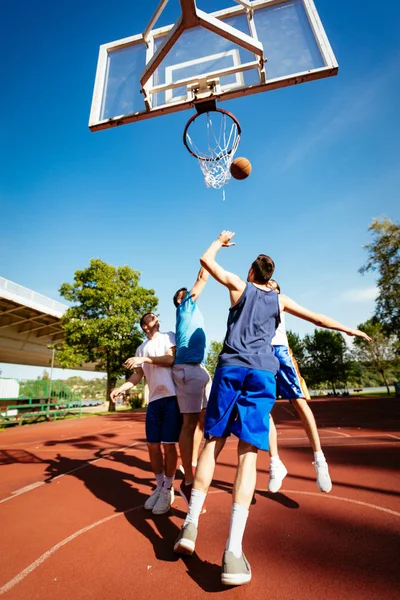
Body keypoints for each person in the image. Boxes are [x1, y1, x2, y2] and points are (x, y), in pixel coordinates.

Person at [173, 230, 371, 587]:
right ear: (270, 276)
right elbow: (318, 319)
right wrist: (349, 329)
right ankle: (232, 552)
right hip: (263, 373)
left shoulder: (237, 286)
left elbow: (205, 262)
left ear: (251, 272)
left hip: (231, 367)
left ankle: (190, 527)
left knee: (213, 442)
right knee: (249, 453)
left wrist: (220, 240)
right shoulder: (280, 300)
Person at [111, 313, 182, 515]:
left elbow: (170, 359)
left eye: (157, 315)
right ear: (144, 326)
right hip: (154, 401)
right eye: (151, 316)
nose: (156, 317)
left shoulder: (168, 336)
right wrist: (121, 388)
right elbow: (137, 375)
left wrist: (143, 359)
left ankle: (168, 489)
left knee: (169, 446)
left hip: (171, 398)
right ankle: (159, 486)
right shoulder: (141, 348)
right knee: (152, 446)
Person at [267, 279, 331, 494]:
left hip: (281, 353)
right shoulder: (253, 300)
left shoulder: (280, 301)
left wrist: (348, 330)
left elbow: (316, 319)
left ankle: (319, 460)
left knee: (300, 403)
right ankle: (275, 463)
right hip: (261, 356)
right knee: (264, 409)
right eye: (268, 284)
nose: (270, 286)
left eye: (274, 285)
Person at [172, 267, 211, 506]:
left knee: (200, 423)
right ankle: (187, 480)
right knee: (189, 424)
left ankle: (192, 463)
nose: (190, 294)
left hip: (198, 368)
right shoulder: (185, 306)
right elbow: (202, 277)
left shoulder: (191, 311)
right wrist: (214, 250)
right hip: (188, 368)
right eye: (185, 293)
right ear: (180, 299)